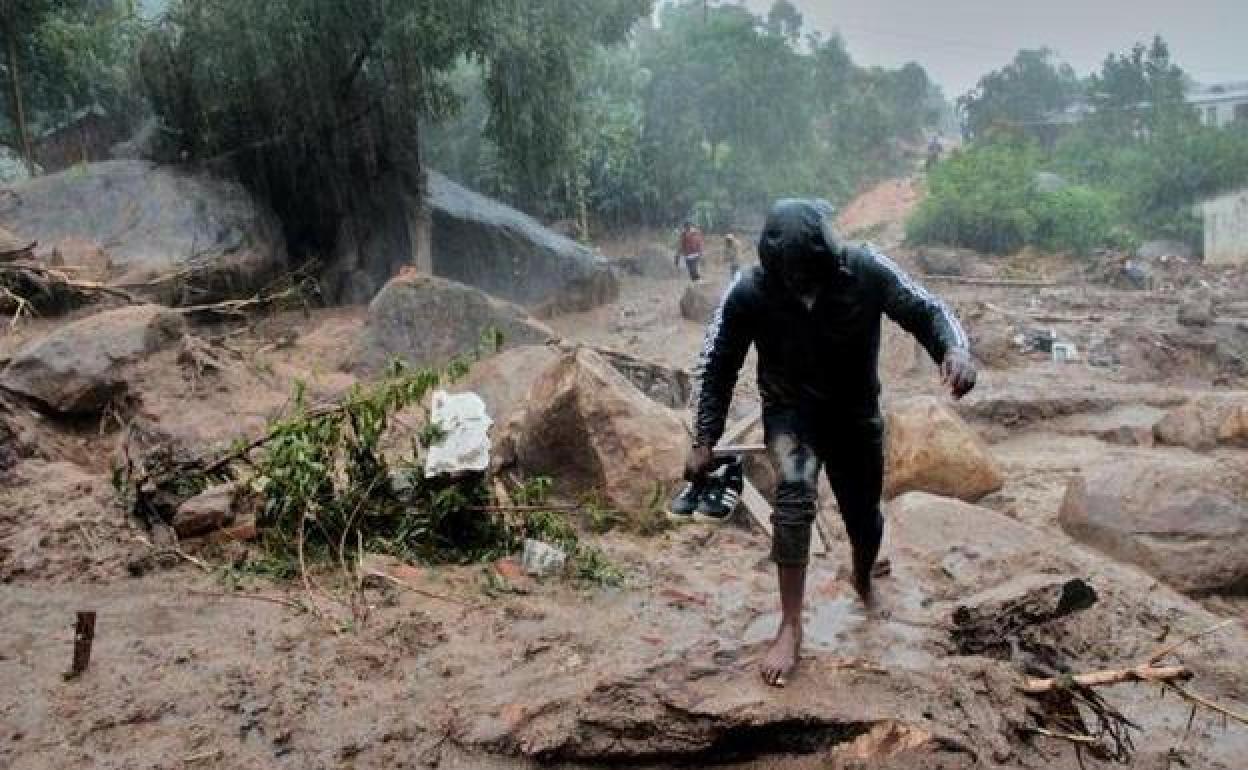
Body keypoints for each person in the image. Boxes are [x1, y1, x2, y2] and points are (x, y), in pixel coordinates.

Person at [684, 199, 976, 687]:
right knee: (793, 499)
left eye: (810, 276)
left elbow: (926, 308)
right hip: (790, 414)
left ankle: (862, 575)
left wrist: (955, 349)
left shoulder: (865, 267)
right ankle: (790, 625)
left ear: (829, 258)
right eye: (790, 279)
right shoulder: (749, 290)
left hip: (855, 413)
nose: (801, 287)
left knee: (864, 519)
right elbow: (716, 364)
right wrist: (705, 437)